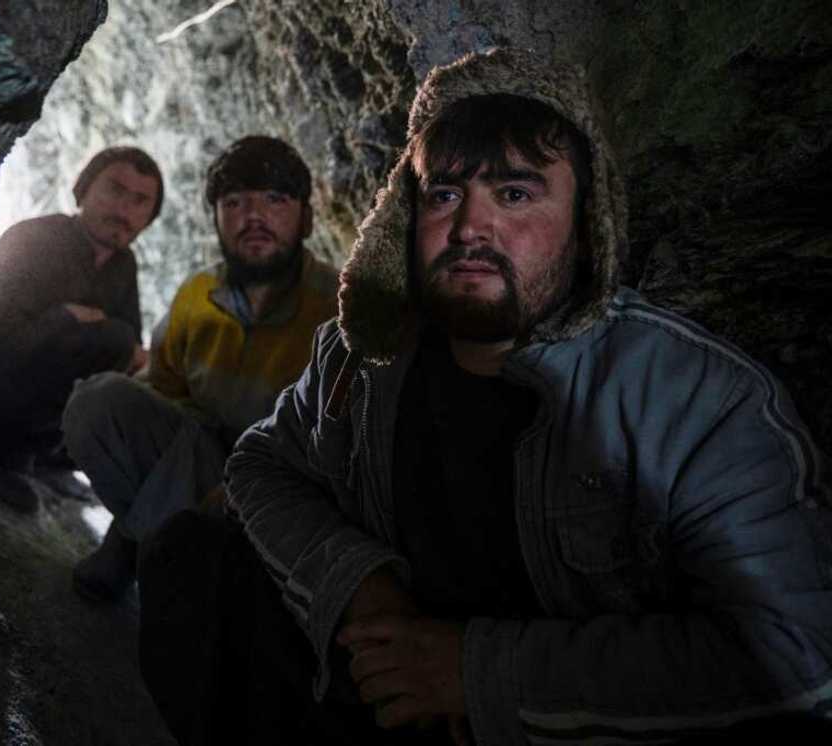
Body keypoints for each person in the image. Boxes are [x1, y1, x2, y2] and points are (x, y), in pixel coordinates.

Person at [163, 48, 832, 744]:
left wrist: (477, 672)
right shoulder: (360, 357)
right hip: (378, 686)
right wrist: (357, 583)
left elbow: (799, 656)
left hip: (546, 727)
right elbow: (260, 465)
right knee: (193, 557)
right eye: (445, 196)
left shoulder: (692, 396)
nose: (469, 229)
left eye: (515, 194)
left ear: (586, 225)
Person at [60, 135, 339, 601]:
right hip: (199, 461)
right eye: (235, 203)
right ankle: (149, 543)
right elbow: (164, 391)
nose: (254, 218)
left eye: (275, 200)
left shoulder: (337, 309)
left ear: (306, 218)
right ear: (216, 218)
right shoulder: (197, 295)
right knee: (97, 402)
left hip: (281, 492)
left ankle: (137, 545)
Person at [0, 146, 163, 512]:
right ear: (84, 189)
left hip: (42, 412)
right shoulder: (30, 239)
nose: (124, 210)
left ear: (149, 217)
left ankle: (50, 457)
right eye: (115, 190)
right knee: (111, 340)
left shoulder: (123, 265)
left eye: (140, 201)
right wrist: (66, 316)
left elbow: (132, 353)